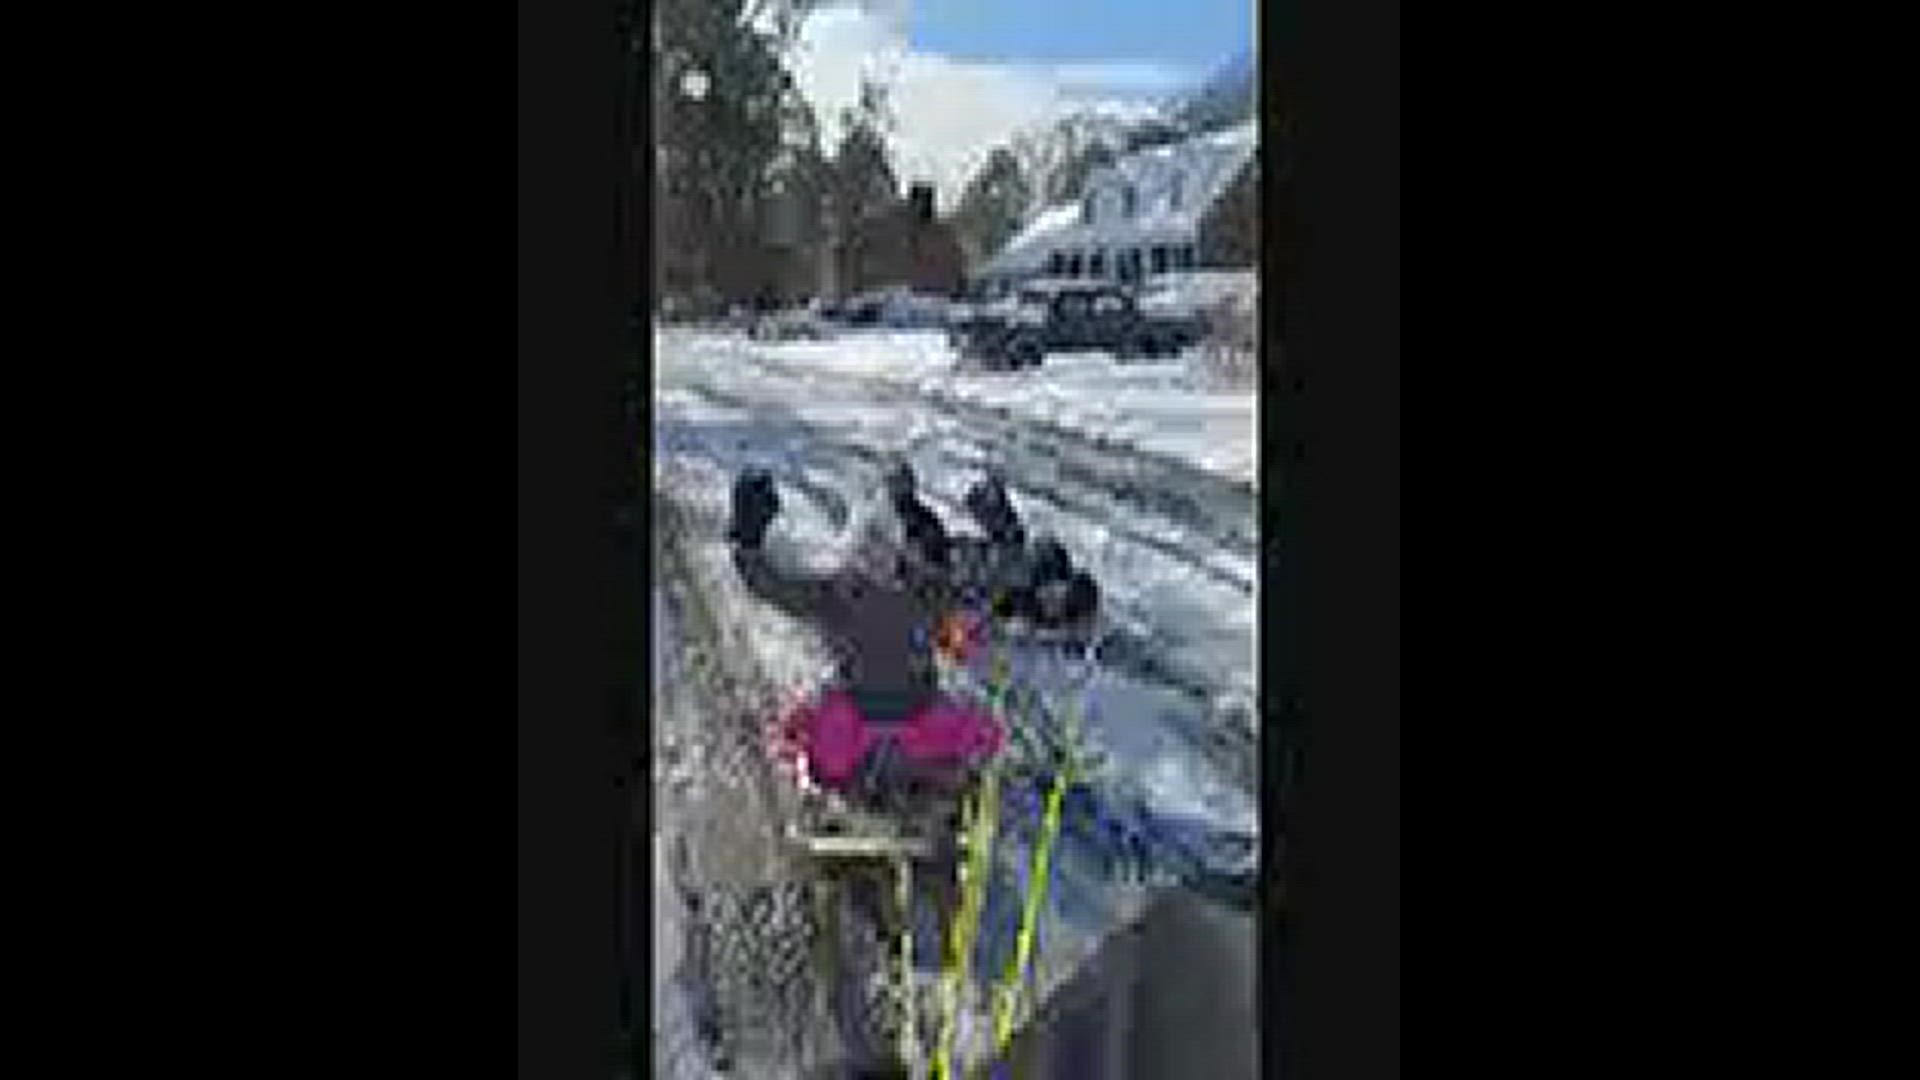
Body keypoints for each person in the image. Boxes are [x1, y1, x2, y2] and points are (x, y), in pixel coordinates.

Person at [729, 465, 1001, 800]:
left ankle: (935, 785)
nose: (877, 563)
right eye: (868, 552)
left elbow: (974, 611)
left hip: (915, 711)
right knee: (823, 742)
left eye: (887, 553)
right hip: (858, 711)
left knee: (982, 734)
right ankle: (833, 784)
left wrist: (995, 557)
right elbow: (773, 585)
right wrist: (748, 537)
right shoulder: (839, 593)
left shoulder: (926, 594)